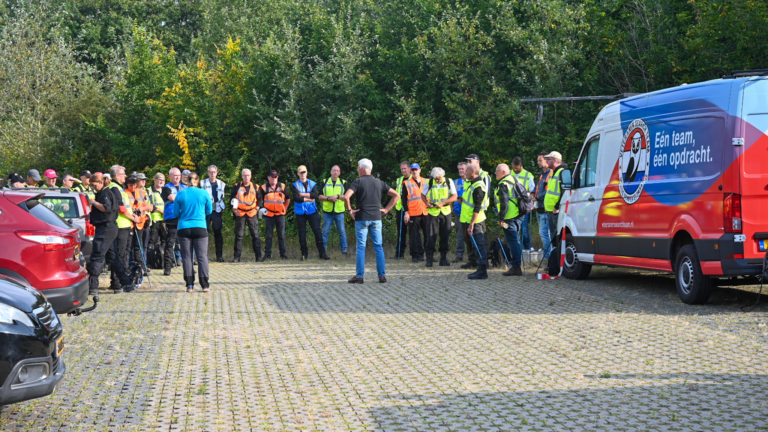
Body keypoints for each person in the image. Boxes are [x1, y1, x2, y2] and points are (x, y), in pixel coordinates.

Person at [343, 158, 399, 283]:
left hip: (362, 218)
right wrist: (387, 209)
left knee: (361, 247)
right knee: (378, 246)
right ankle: (382, 275)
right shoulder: (379, 182)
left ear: (362, 169)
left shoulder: (358, 182)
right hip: (376, 218)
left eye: (358, 167)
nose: (357, 170)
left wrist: (350, 210)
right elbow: (396, 195)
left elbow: (346, 196)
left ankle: (360, 276)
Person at [86, 173, 134, 296]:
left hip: (105, 228)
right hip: (109, 227)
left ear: (101, 183)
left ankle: (92, 287)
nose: (92, 187)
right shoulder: (107, 192)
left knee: (97, 256)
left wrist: (93, 202)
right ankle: (125, 282)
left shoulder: (105, 193)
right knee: (113, 257)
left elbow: (105, 208)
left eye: (93, 185)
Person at [173, 180, 213, 292]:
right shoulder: (204, 193)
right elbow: (209, 210)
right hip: (200, 226)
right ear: (197, 181)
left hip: (184, 227)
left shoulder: (180, 193)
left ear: (186, 182)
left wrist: (184, 213)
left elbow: (175, 213)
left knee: (187, 257)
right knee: (202, 257)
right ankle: (205, 285)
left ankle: (189, 285)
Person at [107, 166, 139, 293]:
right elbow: (121, 208)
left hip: (125, 224)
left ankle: (120, 281)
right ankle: (117, 283)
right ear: (116, 175)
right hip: (120, 225)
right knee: (119, 255)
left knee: (123, 254)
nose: (125, 176)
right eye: (123, 174)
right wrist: (132, 217)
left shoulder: (119, 188)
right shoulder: (114, 188)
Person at [291, 165, 330, 260]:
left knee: (317, 232)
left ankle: (322, 253)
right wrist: (308, 199)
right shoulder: (295, 185)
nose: (302, 174)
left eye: (304, 172)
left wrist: (302, 195)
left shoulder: (313, 184)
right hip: (300, 212)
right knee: (302, 233)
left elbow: (315, 195)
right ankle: (304, 255)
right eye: (301, 172)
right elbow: (296, 198)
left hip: (312, 211)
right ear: (298, 174)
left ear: (307, 172)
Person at [422, 167, 457, 267]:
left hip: (446, 212)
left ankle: (443, 259)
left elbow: (454, 197)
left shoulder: (449, 181)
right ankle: (429, 259)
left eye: (439, 178)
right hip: (433, 213)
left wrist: (443, 203)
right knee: (430, 236)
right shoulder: (429, 182)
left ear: (443, 176)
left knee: (445, 235)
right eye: (435, 178)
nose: (437, 180)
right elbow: (422, 195)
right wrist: (427, 203)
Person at [461, 165, 489, 279]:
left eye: (466, 170)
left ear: (473, 172)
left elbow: (477, 207)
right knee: (476, 245)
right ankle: (479, 269)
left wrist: (472, 223)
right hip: (471, 220)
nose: (464, 172)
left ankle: (482, 271)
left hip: (477, 221)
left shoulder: (478, 186)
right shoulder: (472, 183)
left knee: (479, 245)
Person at [495, 164, 523, 276]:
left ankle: (516, 267)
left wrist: (501, 218)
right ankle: (517, 266)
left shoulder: (503, 184)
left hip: (509, 217)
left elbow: (504, 203)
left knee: (513, 242)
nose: (495, 173)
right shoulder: (515, 179)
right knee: (516, 240)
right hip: (518, 215)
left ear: (503, 172)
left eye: (497, 171)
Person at [258, 170, 290, 261]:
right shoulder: (263, 188)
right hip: (269, 214)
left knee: (281, 235)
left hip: (280, 214)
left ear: (277, 177)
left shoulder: (282, 186)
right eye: (272, 177)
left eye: (275, 177)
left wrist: (285, 209)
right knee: (268, 235)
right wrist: (261, 209)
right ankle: (267, 254)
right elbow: (260, 200)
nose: (274, 179)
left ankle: (283, 254)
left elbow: (288, 198)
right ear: (268, 177)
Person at [232, 168, 262, 263]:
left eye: (248, 175)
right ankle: (237, 258)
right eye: (245, 175)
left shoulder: (256, 187)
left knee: (255, 235)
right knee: (239, 236)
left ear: (251, 176)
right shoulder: (237, 186)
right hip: (240, 213)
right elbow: (231, 200)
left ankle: (259, 257)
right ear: (242, 176)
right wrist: (234, 211)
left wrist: (257, 208)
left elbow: (261, 199)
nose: (246, 177)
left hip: (252, 213)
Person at [319, 165, 348, 256]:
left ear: (339, 173)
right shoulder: (325, 182)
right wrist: (328, 198)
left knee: (342, 232)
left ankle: (344, 250)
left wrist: (338, 197)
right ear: (331, 172)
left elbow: (347, 196)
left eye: (337, 170)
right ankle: (323, 250)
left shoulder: (343, 182)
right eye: (334, 170)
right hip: (327, 211)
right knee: (325, 232)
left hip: (339, 211)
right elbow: (319, 196)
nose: (336, 172)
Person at [162, 167, 187, 275]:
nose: (177, 177)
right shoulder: (166, 188)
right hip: (171, 219)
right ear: (170, 176)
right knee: (170, 244)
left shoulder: (184, 187)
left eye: (178, 175)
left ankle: (188, 267)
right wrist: (183, 197)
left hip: (183, 218)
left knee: (186, 244)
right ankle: (167, 268)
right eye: (175, 175)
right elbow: (172, 198)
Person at [401, 163, 428, 262]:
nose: (414, 171)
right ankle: (416, 255)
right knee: (414, 235)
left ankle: (429, 254)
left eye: (416, 169)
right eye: (413, 170)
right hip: (413, 212)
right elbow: (404, 199)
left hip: (426, 211)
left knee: (428, 234)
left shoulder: (427, 181)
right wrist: (406, 213)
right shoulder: (407, 183)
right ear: (410, 171)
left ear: (420, 170)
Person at [544, 151, 570, 248]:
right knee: (553, 238)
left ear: (555, 160)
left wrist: (557, 206)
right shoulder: (553, 173)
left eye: (548, 159)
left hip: (557, 211)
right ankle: (555, 259)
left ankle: (559, 260)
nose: (546, 161)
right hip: (551, 211)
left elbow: (565, 192)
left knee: (557, 236)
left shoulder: (562, 172)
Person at [201, 165, 226, 262]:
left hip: (217, 210)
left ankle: (219, 256)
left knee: (218, 233)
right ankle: (203, 256)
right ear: (208, 173)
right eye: (210, 172)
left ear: (217, 172)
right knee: (204, 232)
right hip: (206, 210)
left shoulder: (221, 183)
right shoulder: (203, 183)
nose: (212, 174)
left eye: (214, 172)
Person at [128, 173, 152, 270]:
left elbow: (148, 206)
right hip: (131, 222)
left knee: (140, 246)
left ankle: (141, 266)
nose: (143, 181)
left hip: (142, 222)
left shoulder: (143, 192)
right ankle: (135, 266)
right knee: (132, 247)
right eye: (141, 180)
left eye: (144, 180)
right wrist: (141, 209)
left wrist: (142, 209)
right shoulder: (129, 191)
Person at [511, 157, 535, 252]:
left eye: (517, 168)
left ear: (521, 166)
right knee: (514, 228)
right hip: (512, 206)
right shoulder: (510, 173)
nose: (515, 170)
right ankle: (518, 249)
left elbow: (532, 190)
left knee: (523, 228)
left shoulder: (528, 175)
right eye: (514, 167)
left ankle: (527, 248)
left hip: (523, 206)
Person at [534, 152, 552, 259]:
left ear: (546, 160)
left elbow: (549, 191)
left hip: (545, 209)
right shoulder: (542, 175)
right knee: (544, 234)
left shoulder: (550, 174)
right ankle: (548, 257)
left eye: (540, 160)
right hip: (539, 208)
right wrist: (533, 193)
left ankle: (548, 258)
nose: (538, 163)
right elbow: (538, 189)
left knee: (544, 234)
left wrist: (537, 197)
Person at [393, 161, 410, 259]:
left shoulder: (413, 179)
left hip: (411, 208)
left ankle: (415, 253)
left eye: (405, 168)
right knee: (401, 232)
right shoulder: (399, 180)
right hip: (400, 208)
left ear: (409, 169)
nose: (403, 170)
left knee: (413, 232)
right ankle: (399, 253)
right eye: (402, 169)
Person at [147, 173, 166, 262]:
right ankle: (151, 262)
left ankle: (162, 260)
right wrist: (161, 211)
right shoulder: (149, 191)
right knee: (152, 241)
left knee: (164, 240)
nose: (162, 181)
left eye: (163, 180)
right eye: (160, 179)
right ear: (155, 180)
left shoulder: (166, 190)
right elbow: (149, 205)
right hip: (154, 220)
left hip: (164, 220)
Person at [452, 162, 467, 262]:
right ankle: (459, 255)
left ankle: (472, 255)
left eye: (463, 169)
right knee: (460, 235)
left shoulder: (471, 181)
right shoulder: (455, 182)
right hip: (458, 212)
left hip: (469, 212)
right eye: (459, 169)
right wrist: (451, 208)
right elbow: (450, 196)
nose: (461, 170)